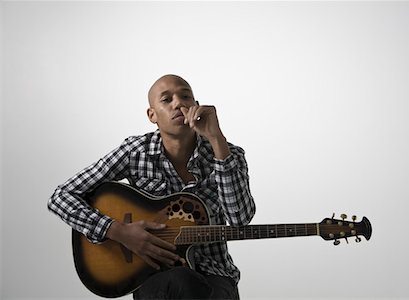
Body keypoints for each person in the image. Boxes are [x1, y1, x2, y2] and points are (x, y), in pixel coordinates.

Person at [48, 74, 256, 299]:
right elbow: (61, 196)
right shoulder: (136, 152)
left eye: (186, 96)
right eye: (167, 100)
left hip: (214, 275)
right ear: (152, 115)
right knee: (181, 281)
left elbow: (239, 219)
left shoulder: (228, 154)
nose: (178, 103)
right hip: (155, 275)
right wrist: (119, 232)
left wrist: (217, 140)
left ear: (196, 106)